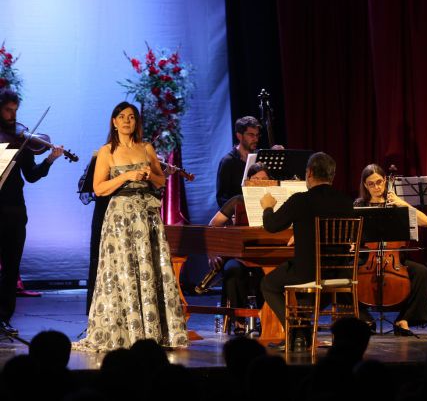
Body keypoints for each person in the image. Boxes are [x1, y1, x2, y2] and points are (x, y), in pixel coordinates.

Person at [73, 102, 187, 351]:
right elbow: (99, 189)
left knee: (148, 267)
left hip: (146, 216)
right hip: (120, 217)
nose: (127, 121)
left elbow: (161, 181)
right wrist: (125, 176)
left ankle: (152, 331)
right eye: (122, 117)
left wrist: (149, 175)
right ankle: (124, 331)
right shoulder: (107, 151)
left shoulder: (146, 148)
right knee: (123, 269)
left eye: (132, 117)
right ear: (114, 122)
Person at [259, 152, 353, 348]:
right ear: (332, 175)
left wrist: (267, 208)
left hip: (308, 271)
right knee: (304, 288)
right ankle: (302, 335)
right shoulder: (345, 201)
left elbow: (272, 225)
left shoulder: (301, 200)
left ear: (309, 173)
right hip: (339, 271)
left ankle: (296, 331)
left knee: (268, 283)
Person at [0, 89, 64, 336]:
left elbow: (31, 176)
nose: (12, 116)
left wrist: (49, 160)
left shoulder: (22, 140)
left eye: (15, 111)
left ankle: (4, 319)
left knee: (11, 268)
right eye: (8, 110)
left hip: (15, 211)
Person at [353, 164, 427, 335]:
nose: (376, 187)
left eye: (379, 182)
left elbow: (426, 222)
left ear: (385, 181)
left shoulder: (395, 204)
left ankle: (404, 319)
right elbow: (352, 233)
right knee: (345, 272)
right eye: (371, 184)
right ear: (365, 185)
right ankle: (364, 318)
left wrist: (402, 203)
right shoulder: (360, 204)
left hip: (394, 258)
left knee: (421, 272)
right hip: (367, 257)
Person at [207, 162, 271, 334]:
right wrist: (212, 253)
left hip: (266, 256)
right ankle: (239, 321)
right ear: (248, 182)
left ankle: (267, 320)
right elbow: (213, 225)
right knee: (232, 270)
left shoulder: (275, 202)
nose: (260, 183)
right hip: (239, 257)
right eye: (256, 179)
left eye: (264, 180)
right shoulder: (238, 201)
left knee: (267, 274)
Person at [216, 116, 261, 207]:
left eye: (257, 135)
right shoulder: (228, 162)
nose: (256, 139)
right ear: (239, 136)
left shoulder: (259, 158)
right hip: (238, 212)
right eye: (251, 135)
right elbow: (222, 197)